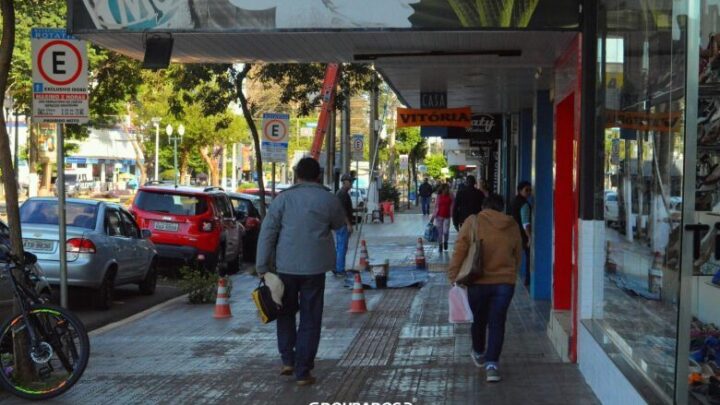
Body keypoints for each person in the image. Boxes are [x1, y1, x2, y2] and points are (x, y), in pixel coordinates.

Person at [255, 157, 346, 386]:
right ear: (319, 176)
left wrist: (262, 266)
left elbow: (268, 233)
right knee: (310, 318)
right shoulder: (329, 199)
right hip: (315, 269)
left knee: (285, 312)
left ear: (296, 175)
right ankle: (303, 371)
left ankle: (288, 359)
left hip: (285, 268)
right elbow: (339, 225)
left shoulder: (282, 200)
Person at [447, 194, 522, 383]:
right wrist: (511, 273)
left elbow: (460, 249)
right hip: (505, 283)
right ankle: (492, 366)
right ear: (502, 207)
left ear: (483, 206)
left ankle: (479, 352)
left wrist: (453, 275)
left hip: (477, 282)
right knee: (497, 322)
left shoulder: (473, 222)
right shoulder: (511, 224)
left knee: (479, 321)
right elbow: (517, 253)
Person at [509, 181, 533, 288]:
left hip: (514, 232)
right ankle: (528, 279)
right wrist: (529, 237)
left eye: (530, 190)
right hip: (522, 234)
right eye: (526, 190)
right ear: (520, 190)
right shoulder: (524, 204)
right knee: (529, 257)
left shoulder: (514, 201)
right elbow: (525, 223)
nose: (529, 192)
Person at [334, 173, 355, 276]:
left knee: (341, 246)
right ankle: (339, 269)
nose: (352, 184)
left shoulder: (343, 193)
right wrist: (348, 224)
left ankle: (338, 266)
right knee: (342, 246)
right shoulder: (342, 194)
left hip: (340, 224)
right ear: (345, 182)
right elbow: (343, 211)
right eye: (350, 182)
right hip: (342, 225)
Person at [431, 183, 453, 252]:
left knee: (446, 231)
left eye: (448, 188)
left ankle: (445, 241)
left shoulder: (451, 196)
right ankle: (440, 244)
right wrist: (433, 217)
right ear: (442, 189)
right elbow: (435, 207)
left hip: (447, 216)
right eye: (446, 188)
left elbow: (453, 205)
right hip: (439, 216)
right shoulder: (438, 196)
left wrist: (453, 213)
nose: (447, 190)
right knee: (439, 232)